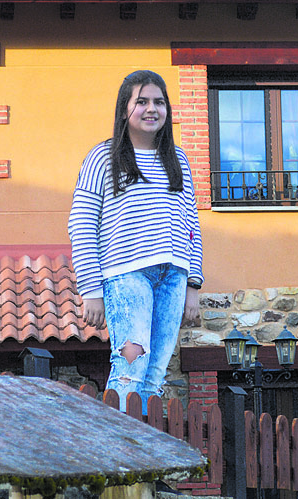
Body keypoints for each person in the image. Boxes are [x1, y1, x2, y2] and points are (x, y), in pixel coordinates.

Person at [68, 70, 203, 410]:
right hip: (127, 277)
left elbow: (191, 225)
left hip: (173, 277)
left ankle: (146, 454)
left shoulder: (179, 160)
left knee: (155, 374)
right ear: (124, 109)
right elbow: (82, 223)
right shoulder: (104, 157)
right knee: (131, 365)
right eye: (141, 101)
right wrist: (91, 290)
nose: (151, 109)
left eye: (159, 102)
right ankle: (120, 455)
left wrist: (193, 285)